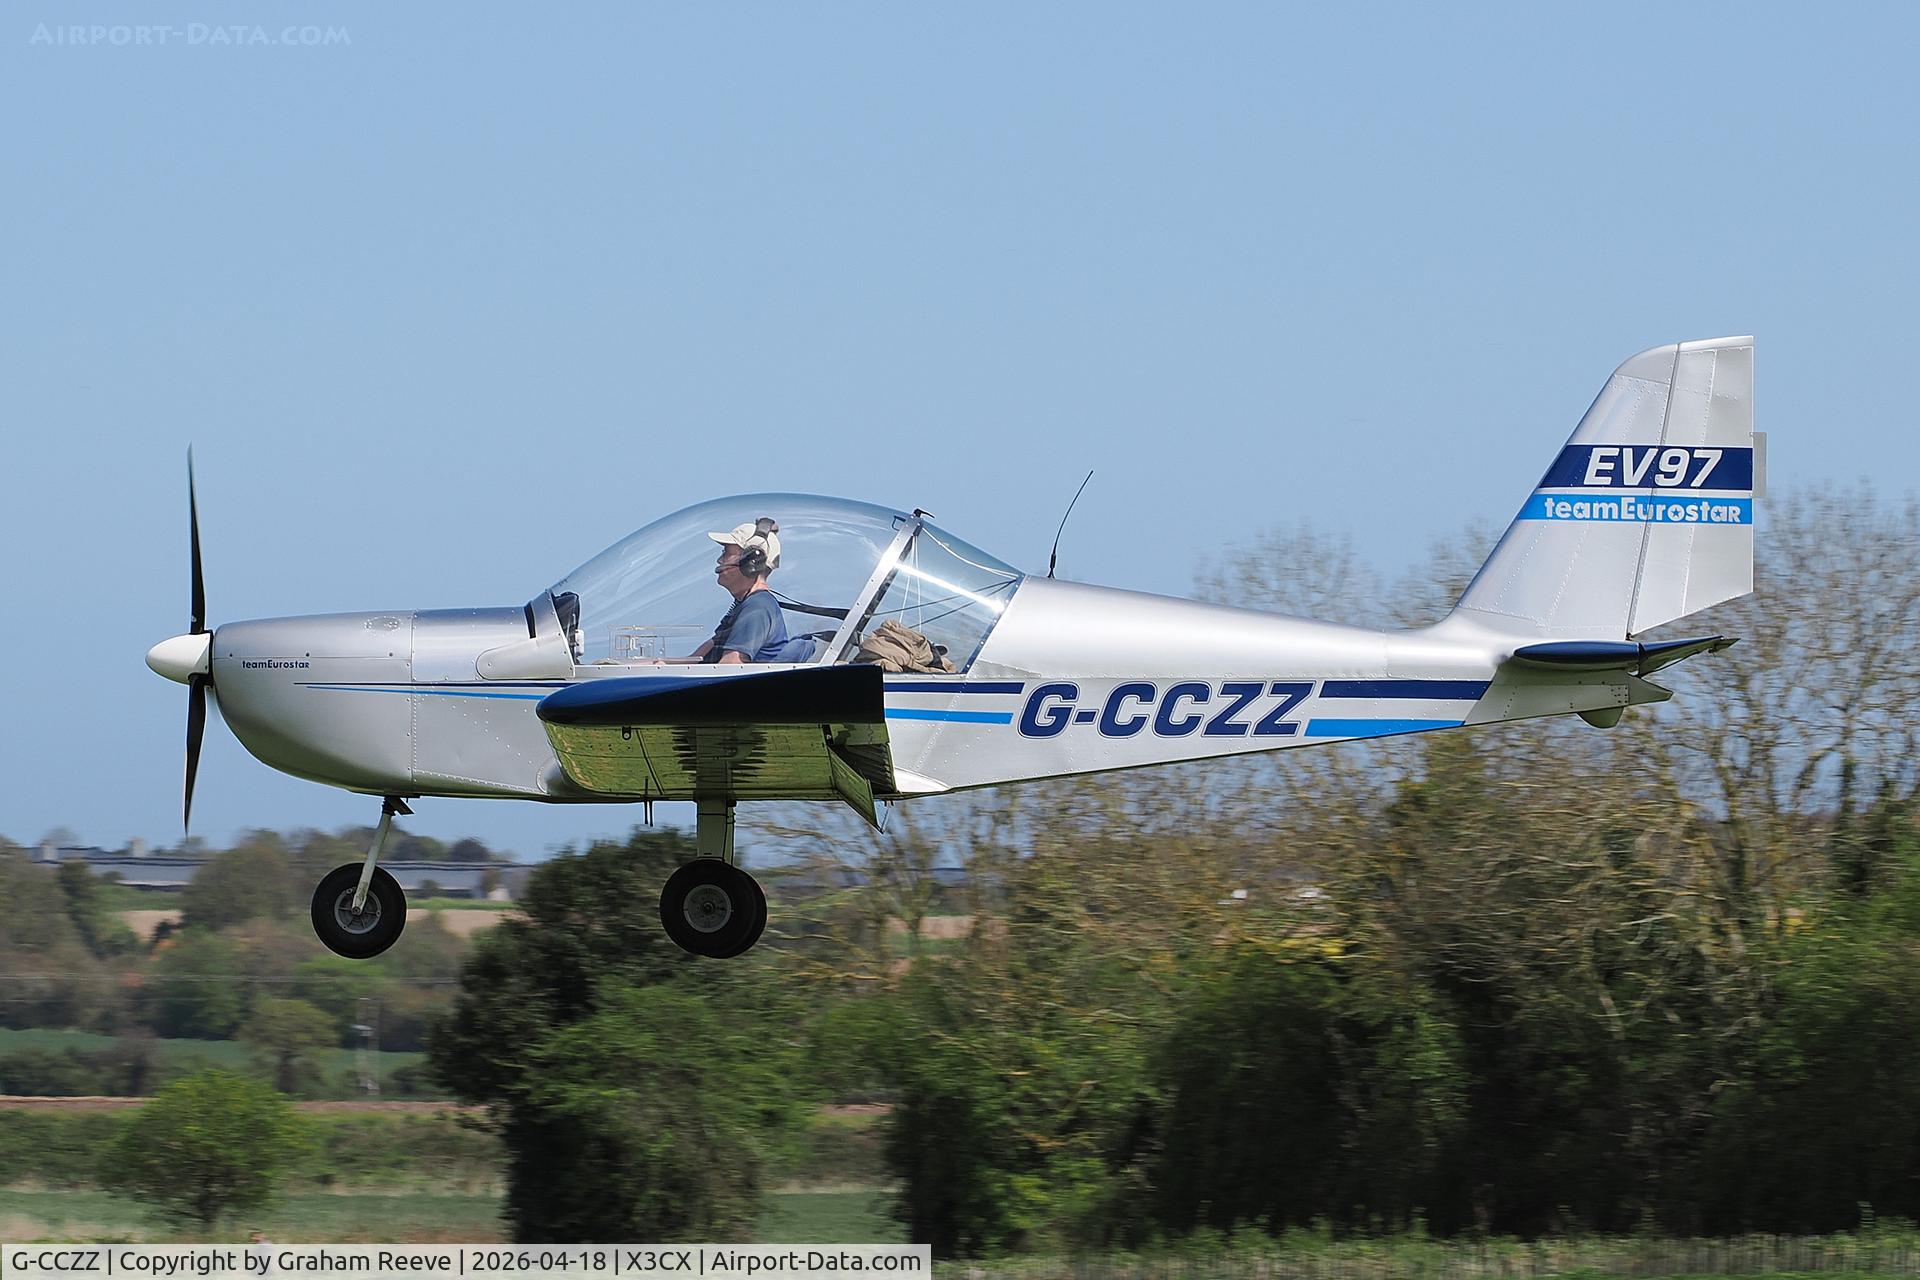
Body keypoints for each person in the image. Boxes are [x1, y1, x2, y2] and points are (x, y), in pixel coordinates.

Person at [655, 517, 790, 664]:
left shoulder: (757, 607)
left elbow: (731, 666)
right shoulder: (745, 605)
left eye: (726, 553)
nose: (719, 561)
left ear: (751, 562)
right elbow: (695, 660)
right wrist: (656, 664)